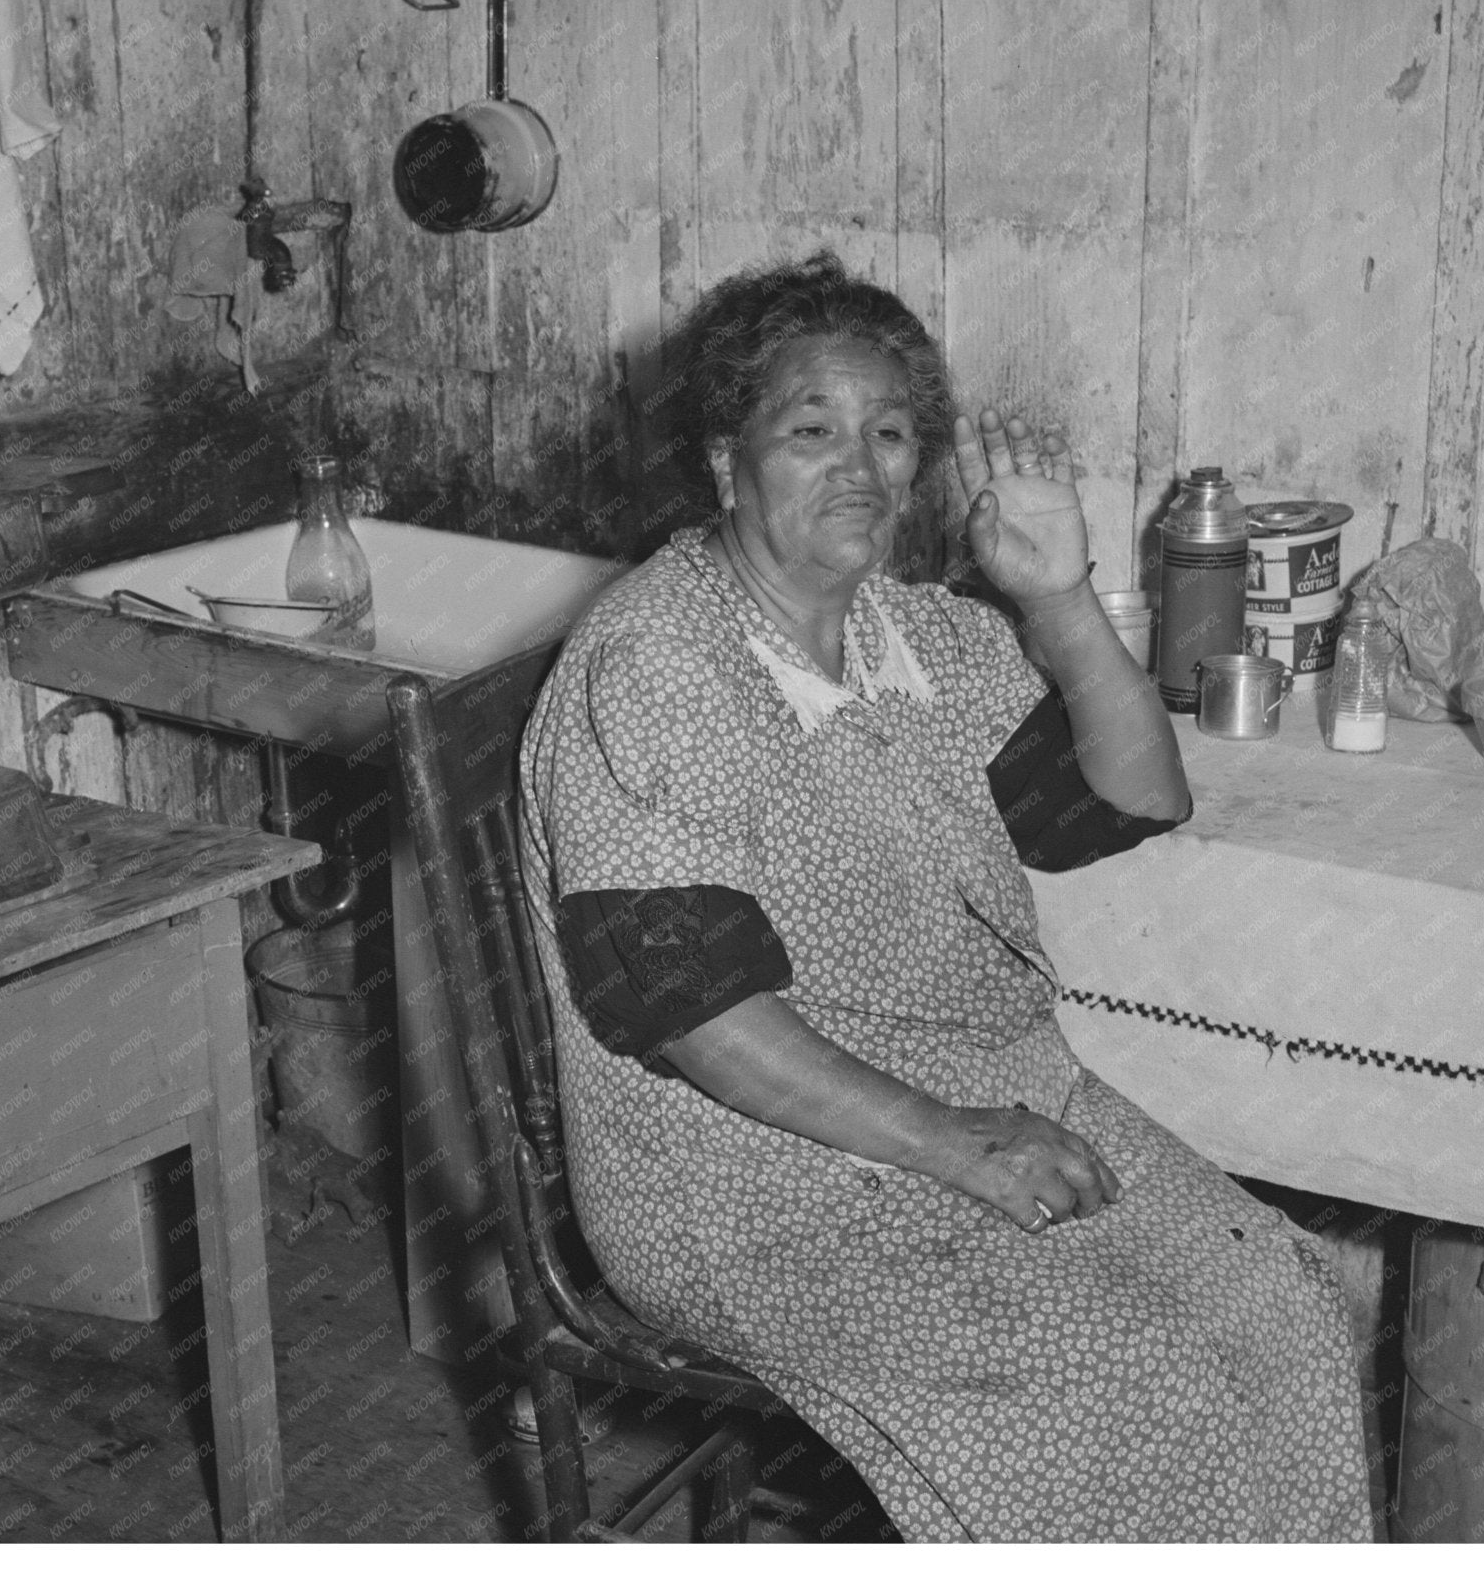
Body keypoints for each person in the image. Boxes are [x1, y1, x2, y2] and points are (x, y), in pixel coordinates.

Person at [518, 252, 1372, 1542]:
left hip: (977, 1093)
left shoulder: (910, 635)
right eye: (810, 431)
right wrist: (953, 1142)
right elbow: (696, 1014)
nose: (858, 468)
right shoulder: (658, 666)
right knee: (1128, 1376)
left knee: (1284, 1310)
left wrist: (1061, 597)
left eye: (892, 432)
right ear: (721, 460)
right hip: (744, 1177)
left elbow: (1135, 803)